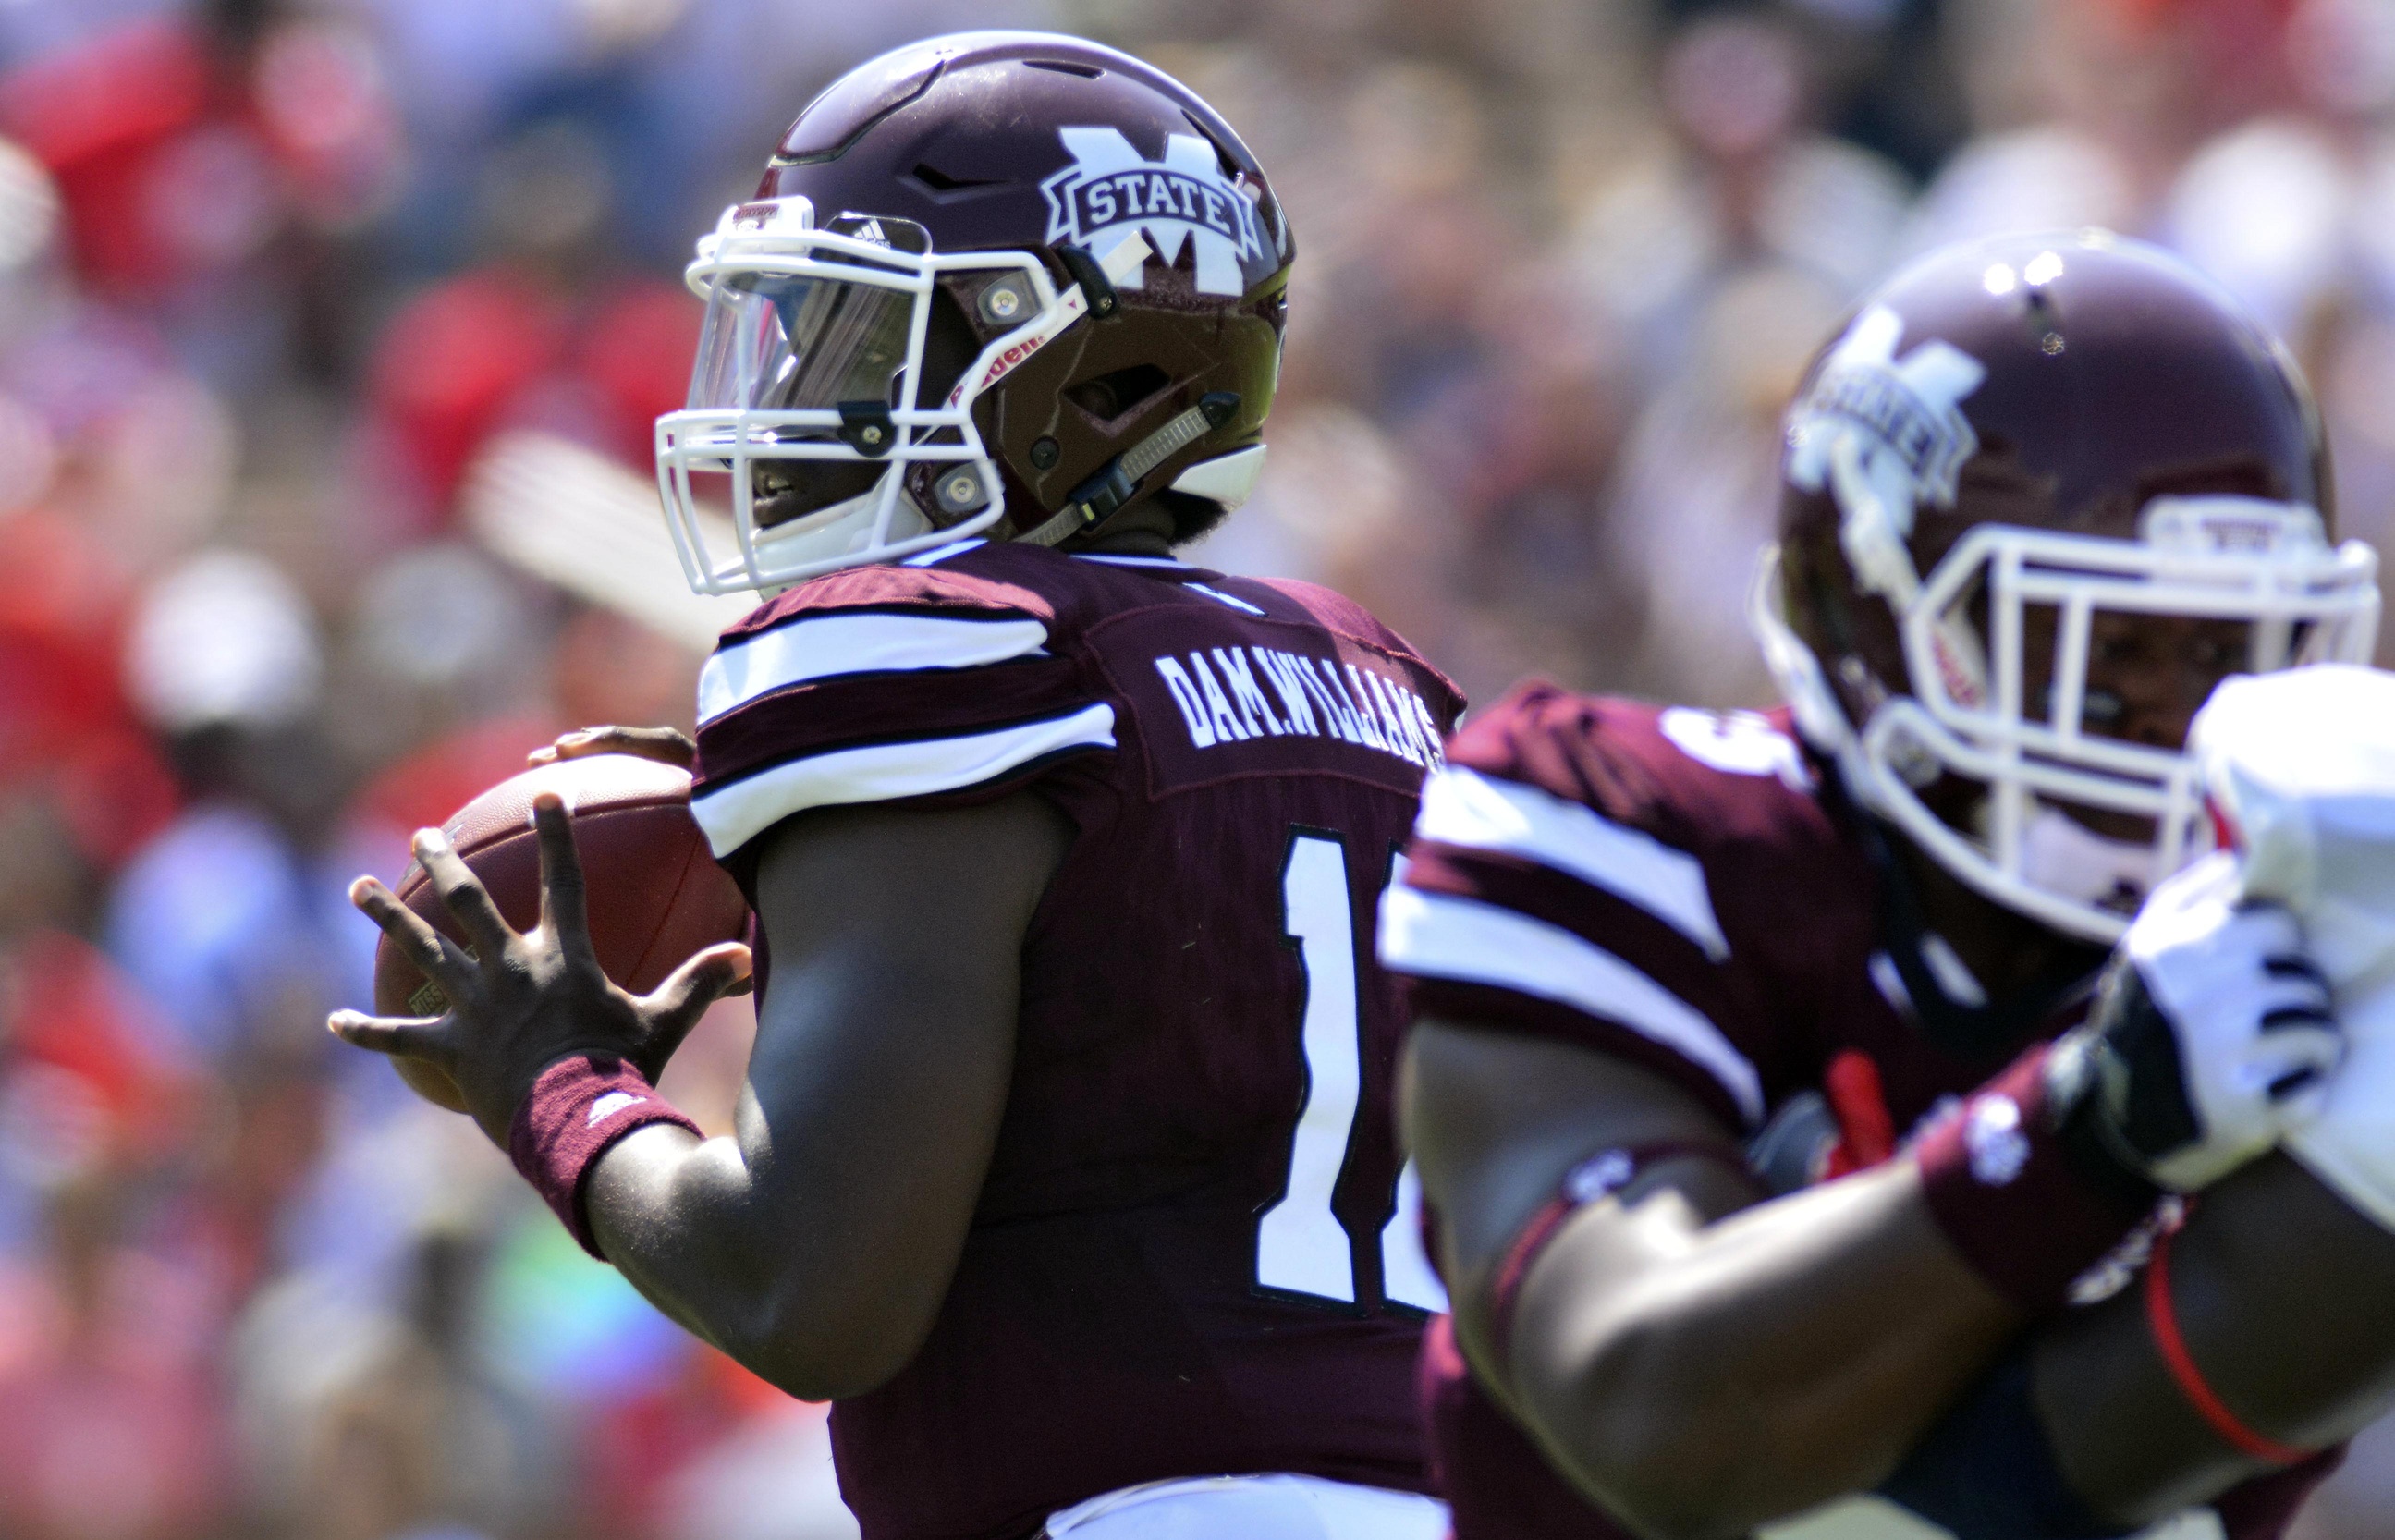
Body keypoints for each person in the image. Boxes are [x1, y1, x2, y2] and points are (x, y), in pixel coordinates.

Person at [329, 31, 1460, 1540]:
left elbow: (810, 1289)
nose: (792, 387)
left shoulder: (918, 656)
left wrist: (554, 1078)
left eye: (856, 336)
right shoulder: (1387, 684)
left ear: (1077, 370)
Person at [1378, 231, 2395, 1540]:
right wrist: (2086, 1121)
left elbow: (2023, 1493)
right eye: (2112, 648)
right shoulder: (1620, 827)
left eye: (2229, 653)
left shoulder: (2315, 938)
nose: (2179, 719)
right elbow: (1650, 1409)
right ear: (1881, 621)